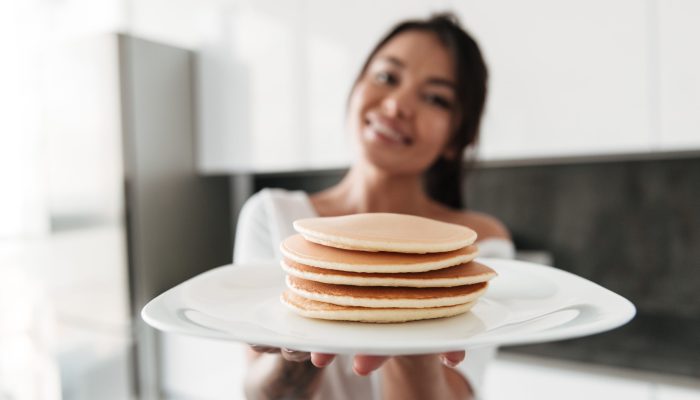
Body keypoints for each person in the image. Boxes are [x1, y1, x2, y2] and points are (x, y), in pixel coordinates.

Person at [234, 12, 514, 400]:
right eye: (386, 77)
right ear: (356, 88)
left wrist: (415, 321)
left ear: (456, 138)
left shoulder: (478, 249)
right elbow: (261, 394)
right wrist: (296, 346)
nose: (397, 105)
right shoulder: (272, 216)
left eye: (436, 98)